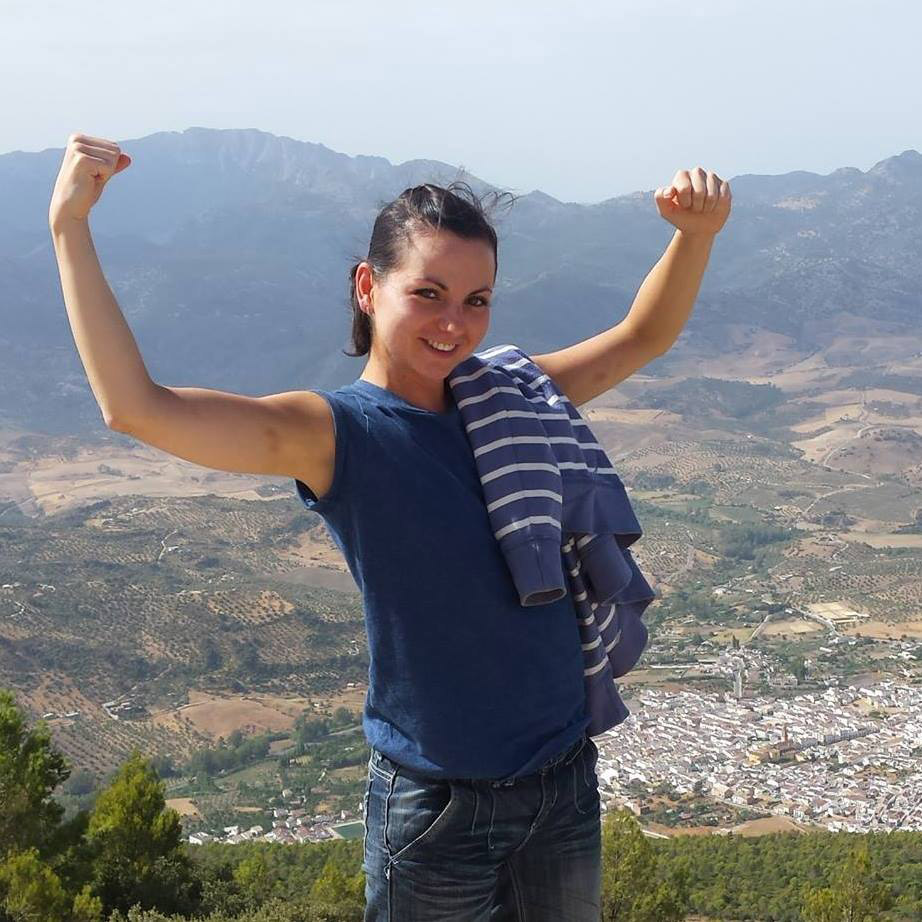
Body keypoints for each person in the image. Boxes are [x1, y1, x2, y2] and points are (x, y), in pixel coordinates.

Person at [48, 132, 731, 921]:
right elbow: (137, 408)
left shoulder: (509, 394)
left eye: (477, 301)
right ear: (369, 286)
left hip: (561, 783)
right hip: (437, 808)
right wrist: (70, 226)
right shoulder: (338, 434)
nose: (456, 324)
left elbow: (642, 337)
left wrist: (693, 236)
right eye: (429, 294)